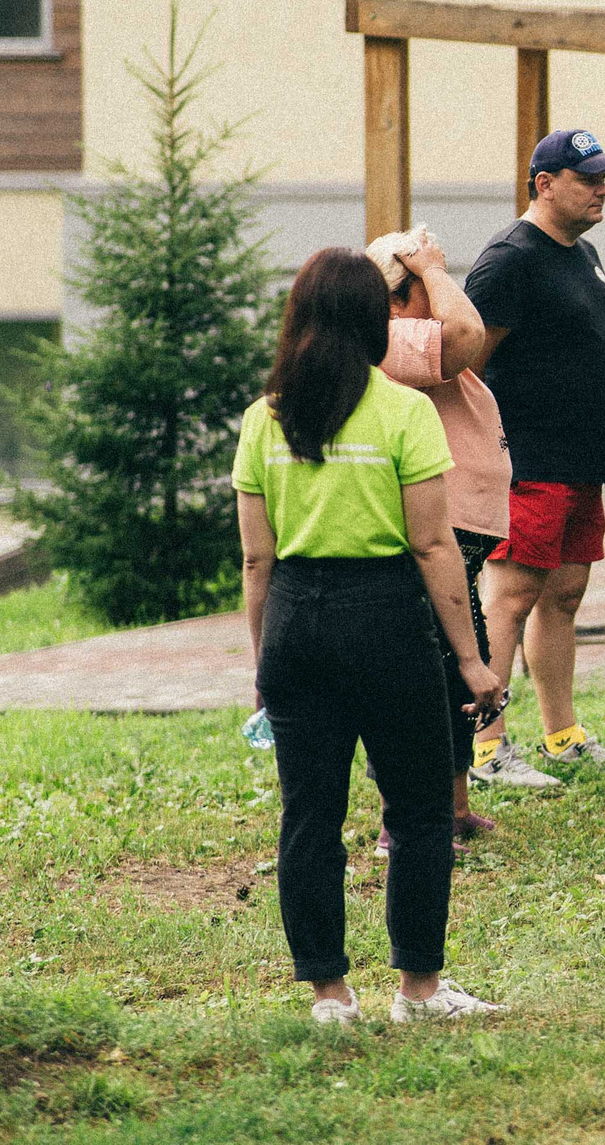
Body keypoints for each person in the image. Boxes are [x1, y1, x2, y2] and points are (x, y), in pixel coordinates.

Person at [235, 248, 507, 1025]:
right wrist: (469, 659)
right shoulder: (403, 412)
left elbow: (258, 556)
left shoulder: (265, 418)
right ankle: (418, 989)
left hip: (294, 617)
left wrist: (266, 660)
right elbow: (433, 547)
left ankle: (329, 995)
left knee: (308, 815)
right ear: (373, 323)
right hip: (386, 619)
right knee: (421, 810)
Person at [464, 128, 605, 784]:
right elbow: (468, 363)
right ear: (544, 184)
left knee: (563, 592)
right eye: (589, 177)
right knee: (510, 597)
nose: (604, 187)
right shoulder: (510, 258)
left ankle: (561, 735)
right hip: (529, 458)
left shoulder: (581, 251)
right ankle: (486, 746)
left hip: (579, 457)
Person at [365, 229, 507, 851]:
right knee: (424, 673)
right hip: (436, 529)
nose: (445, 290)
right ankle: (405, 820)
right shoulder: (392, 339)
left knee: (454, 668)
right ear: (399, 298)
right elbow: (469, 338)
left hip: (462, 532)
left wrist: (431, 275)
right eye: (429, 285)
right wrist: (429, 266)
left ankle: (451, 809)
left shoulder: (412, 340)